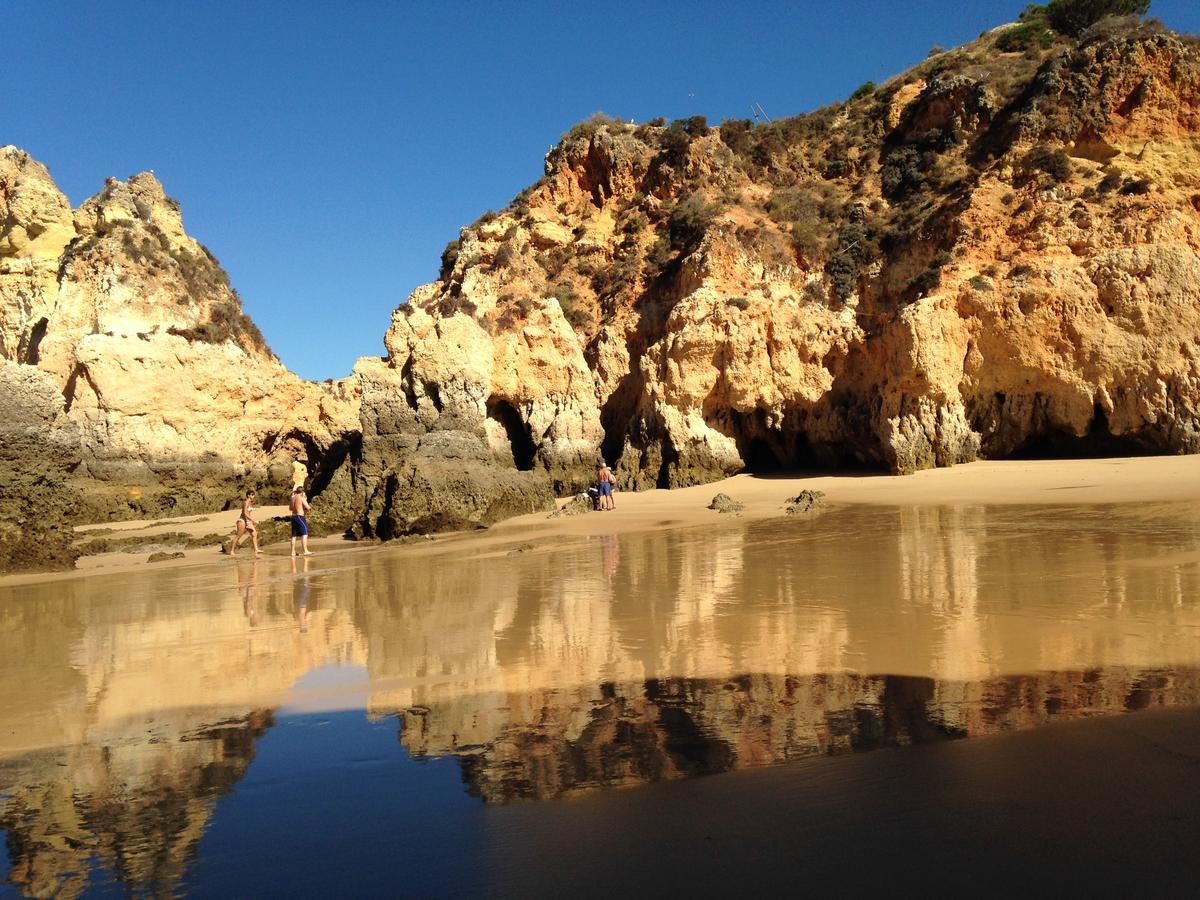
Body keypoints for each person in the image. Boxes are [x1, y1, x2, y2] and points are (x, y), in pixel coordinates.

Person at [229, 490, 262, 556]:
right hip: (242, 521)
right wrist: (253, 521)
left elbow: (248, 513)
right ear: (248, 495)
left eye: (253, 494)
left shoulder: (250, 502)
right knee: (238, 536)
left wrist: (250, 522)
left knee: (254, 534)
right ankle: (232, 551)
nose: (253, 496)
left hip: (248, 521)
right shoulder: (246, 502)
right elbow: (244, 513)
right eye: (252, 495)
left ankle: (256, 549)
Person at [290, 486, 312, 556]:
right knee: (304, 533)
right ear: (302, 492)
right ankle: (305, 550)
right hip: (300, 516)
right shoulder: (302, 498)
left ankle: (293, 552)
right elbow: (308, 508)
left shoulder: (292, 498)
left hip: (293, 517)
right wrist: (305, 500)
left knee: (294, 535)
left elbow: (290, 508)